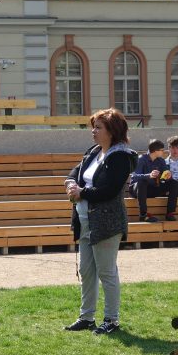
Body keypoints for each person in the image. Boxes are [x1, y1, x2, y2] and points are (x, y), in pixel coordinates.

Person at [64, 108, 137, 335]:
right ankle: (87, 317)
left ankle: (111, 320)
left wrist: (81, 193)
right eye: (93, 127)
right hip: (85, 221)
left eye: (98, 128)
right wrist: (70, 184)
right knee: (86, 271)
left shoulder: (121, 157)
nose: (93, 132)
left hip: (106, 223)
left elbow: (109, 190)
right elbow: (76, 172)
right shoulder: (95, 151)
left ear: (112, 131)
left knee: (106, 272)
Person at [128, 138, 178, 222]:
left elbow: (165, 174)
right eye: (162, 150)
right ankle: (143, 215)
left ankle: (170, 213)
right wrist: (149, 175)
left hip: (153, 188)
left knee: (174, 183)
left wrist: (168, 175)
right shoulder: (141, 159)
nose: (164, 152)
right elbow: (134, 176)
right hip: (138, 190)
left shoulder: (161, 160)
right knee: (142, 182)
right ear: (155, 151)